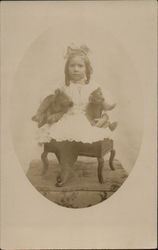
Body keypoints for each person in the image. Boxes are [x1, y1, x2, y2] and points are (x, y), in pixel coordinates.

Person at [34, 44, 117, 186]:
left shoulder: (93, 86)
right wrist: (53, 97)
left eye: (80, 66)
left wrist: (103, 109)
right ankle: (66, 169)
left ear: (87, 69)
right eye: (72, 66)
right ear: (67, 68)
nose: (76, 69)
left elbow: (107, 103)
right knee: (60, 133)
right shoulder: (63, 85)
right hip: (66, 118)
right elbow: (47, 95)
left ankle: (66, 169)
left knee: (74, 132)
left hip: (86, 120)